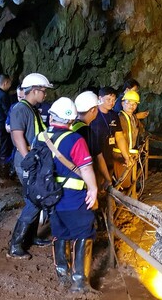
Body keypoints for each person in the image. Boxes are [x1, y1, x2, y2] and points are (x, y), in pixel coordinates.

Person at [40, 97, 99, 293]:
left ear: (51, 117)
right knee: (84, 233)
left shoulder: (40, 137)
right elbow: (86, 168)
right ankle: (80, 283)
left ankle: (62, 274)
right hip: (72, 198)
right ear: (72, 121)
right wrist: (93, 189)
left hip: (50, 198)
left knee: (60, 233)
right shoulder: (75, 139)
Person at [7, 73, 53, 259]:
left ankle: (31, 237)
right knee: (34, 201)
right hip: (27, 162)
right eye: (44, 91)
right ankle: (15, 244)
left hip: (34, 160)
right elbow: (17, 136)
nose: (45, 95)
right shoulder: (20, 109)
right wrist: (29, 160)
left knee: (36, 200)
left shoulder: (32, 109)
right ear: (34, 90)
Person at [89, 86, 131, 188]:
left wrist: (126, 156)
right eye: (108, 99)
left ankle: (107, 202)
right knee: (95, 184)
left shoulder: (114, 115)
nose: (111, 102)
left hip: (108, 155)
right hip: (93, 157)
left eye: (113, 100)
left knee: (106, 185)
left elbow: (119, 137)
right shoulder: (92, 114)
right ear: (99, 98)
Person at [73, 91, 111, 191]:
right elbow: (99, 158)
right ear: (93, 110)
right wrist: (107, 179)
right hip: (83, 180)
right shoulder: (87, 131)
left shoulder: (71, 125)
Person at [114, 90, 142, 197]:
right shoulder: (120, 118)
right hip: (121, 155)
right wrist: (126, 155)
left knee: (129, 179)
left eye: (134, 103)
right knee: (123, 181)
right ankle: (122, 206)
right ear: (122, 103)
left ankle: (128, 201)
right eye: (128, 103)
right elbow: (119, 138)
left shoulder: (133, 117)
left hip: (130, 153)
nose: (131, 106)